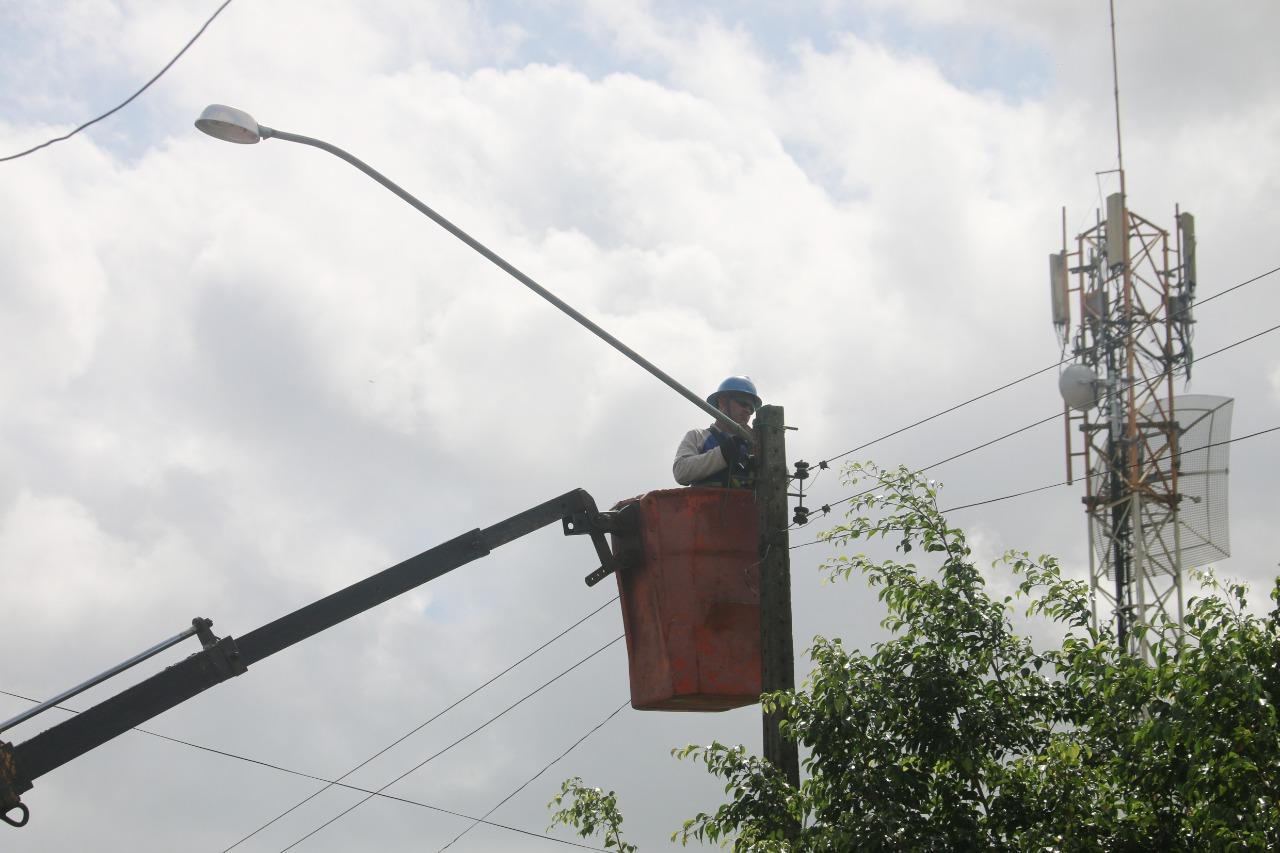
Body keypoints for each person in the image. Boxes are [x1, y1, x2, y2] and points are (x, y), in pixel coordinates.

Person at [673, 376, 761, 488]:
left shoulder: (752, 445)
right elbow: (681, 472)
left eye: (751, 408)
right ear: (722, 402)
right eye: (743, 403)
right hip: (707, 504)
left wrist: (764, 459)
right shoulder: (698, 437)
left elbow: (779, 484)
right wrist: (723, 454)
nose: (748, 411)